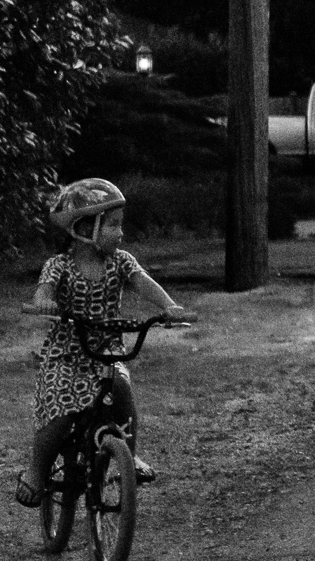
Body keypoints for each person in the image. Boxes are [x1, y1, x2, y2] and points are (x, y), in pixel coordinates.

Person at [15, 179, 195, 507]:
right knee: (61, 412)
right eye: (113, 225)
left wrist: (168, 306)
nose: (121, 233)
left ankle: (129, 454)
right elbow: (45, 288)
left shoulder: (121, 261)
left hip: (106, 352)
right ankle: (36, 471)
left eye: (120, 225)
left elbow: (142, 282)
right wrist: (44, 300)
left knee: (122, 390)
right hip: (65, 353)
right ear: (85, 229)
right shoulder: (60, 265)